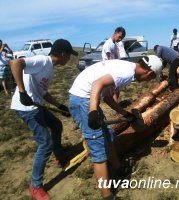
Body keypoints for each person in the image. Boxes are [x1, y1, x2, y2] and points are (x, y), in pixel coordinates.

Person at [69, 57, 162, 200]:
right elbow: (97, 83)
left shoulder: (127, 69)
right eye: (150, 79)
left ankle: (118, 167)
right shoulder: (125, 73)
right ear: (149, 73)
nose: (146, 81)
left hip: (87, 99)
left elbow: (107, 97)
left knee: (109, 134)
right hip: (83, 100)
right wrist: (93, 111)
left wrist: (125, 113)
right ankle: (107, 196)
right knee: (98, 147)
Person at [10, 39, 78, 200]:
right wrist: (22, 92)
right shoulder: (42, 60)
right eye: (68, 56)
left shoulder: (50, 69)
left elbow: (43, 93)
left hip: (36, 104)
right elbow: (15, 63)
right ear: (62, 54)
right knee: (45, 144)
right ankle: (35, 186)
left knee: (56, 125)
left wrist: (60, 105)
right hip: (26, 108)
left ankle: (59, 156)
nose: (68, 60)